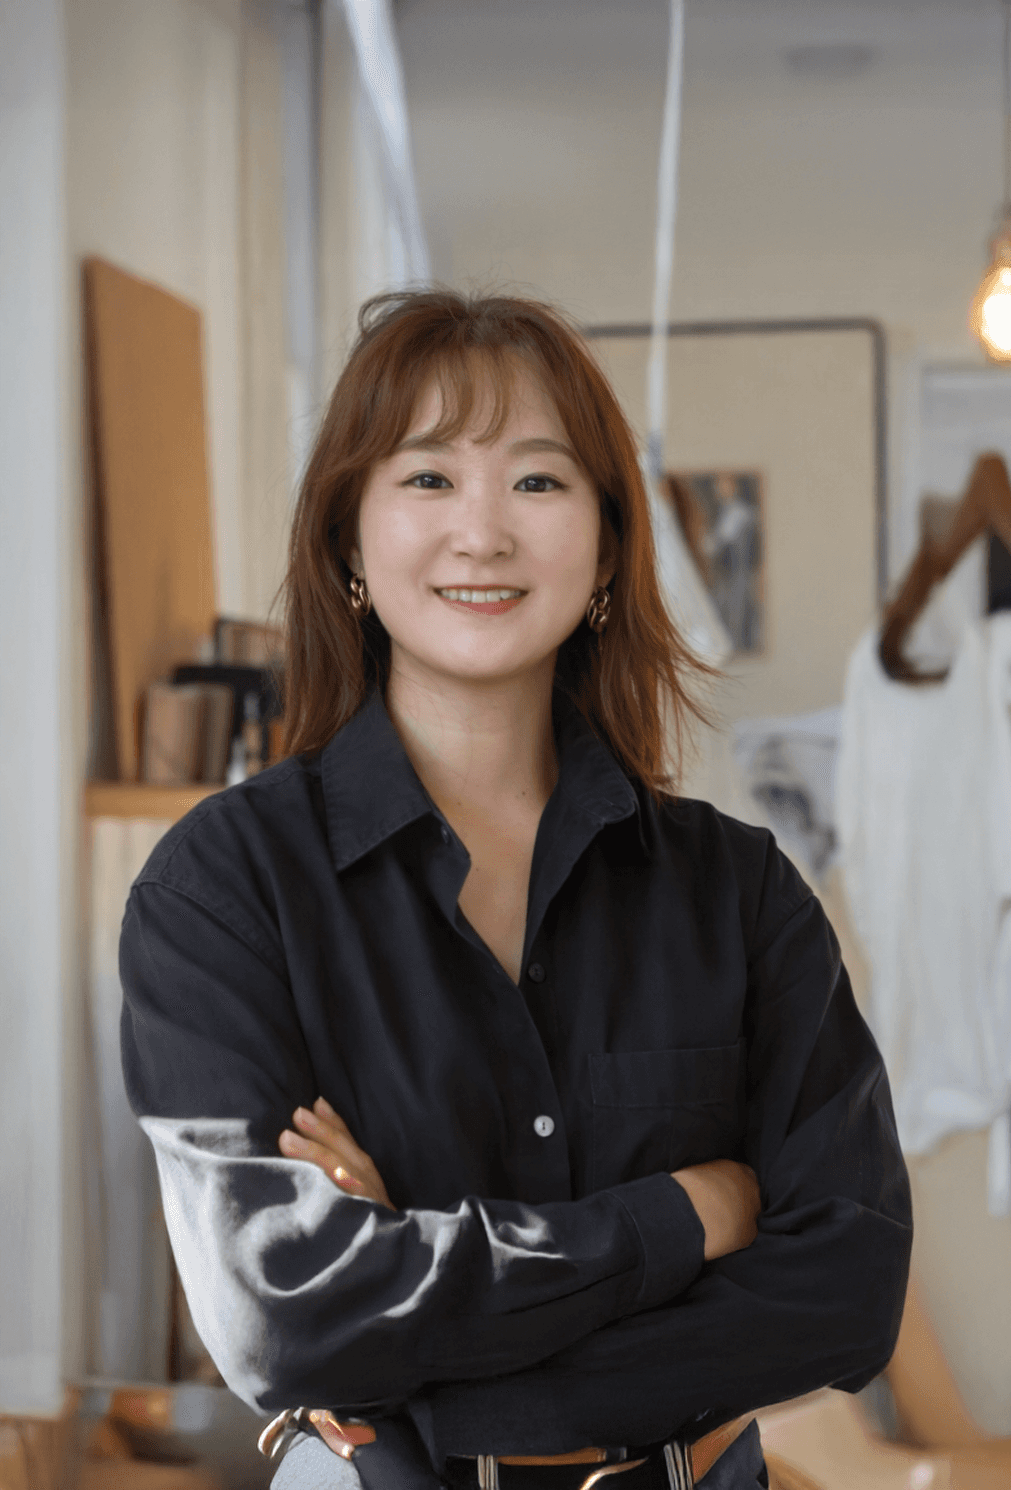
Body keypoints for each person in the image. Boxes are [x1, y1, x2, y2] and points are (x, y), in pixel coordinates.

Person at [119, 289, 913, 1490]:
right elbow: (281, 1312)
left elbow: (848, 1290)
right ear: (348, 542)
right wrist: (684, 1214)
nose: (482, 532)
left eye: (537, 480)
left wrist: (420, 1318)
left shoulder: (737, 892)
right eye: (429, 477)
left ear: (607, 547)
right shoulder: (225, 888)